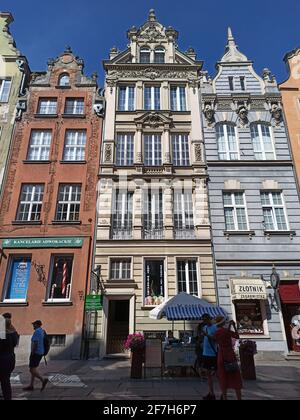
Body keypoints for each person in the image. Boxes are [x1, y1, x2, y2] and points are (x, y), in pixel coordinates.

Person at [214, 318, 243, 400]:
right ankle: (239, 398)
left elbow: (214, 339)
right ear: (223, 323)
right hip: (230, 354)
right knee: (235, 376)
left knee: (223, 376)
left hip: (221, 355)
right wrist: (233, 326)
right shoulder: (227, 331)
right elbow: (237, 336)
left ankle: (224, 397)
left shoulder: (217, 332)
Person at [23, 320, 48, 392]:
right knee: (34, 369)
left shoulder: (36, 332)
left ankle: (43, 380)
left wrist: (33, 352)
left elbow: (35, 343)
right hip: (40, 352)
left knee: (31, 369)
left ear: (37, 325)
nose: (33, 326)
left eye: (34, 324)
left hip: (36, 353)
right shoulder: (42, 331)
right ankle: (31, 385)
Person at [0, 313, 19, 400]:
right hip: (10, 358)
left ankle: (7, 397)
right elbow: (15, 344)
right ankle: (7, 397)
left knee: (4, 381)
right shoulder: (14, 332)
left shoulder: (2, 333)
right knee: (6, 380)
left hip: (2, 360)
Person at [201, 314, 218, 400]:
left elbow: (216, 339)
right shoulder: (205, 328)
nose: (204, 321)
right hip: (206, 353)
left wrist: (207, 335)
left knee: (217, 375)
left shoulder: (215, 327)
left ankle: (223, 393)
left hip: (213, 354)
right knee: (208, 375)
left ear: (209, 319)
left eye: (206, 319)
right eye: (203, 320)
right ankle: (211, 393)